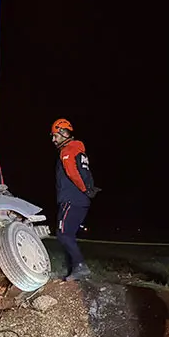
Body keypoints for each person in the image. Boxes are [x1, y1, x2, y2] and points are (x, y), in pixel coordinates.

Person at [51, 118, 98, 281]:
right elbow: (86, 173)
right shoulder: (80, 151)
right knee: (68, 234)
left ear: (63, 133)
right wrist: (89, 189)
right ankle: (74, 269)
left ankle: (80, 267)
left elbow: (72, 172)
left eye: (55, 136)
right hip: (82, 200)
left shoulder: (68, 150)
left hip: (72, 199)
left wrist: (84, 189)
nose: (53, 140)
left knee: (63, 234)